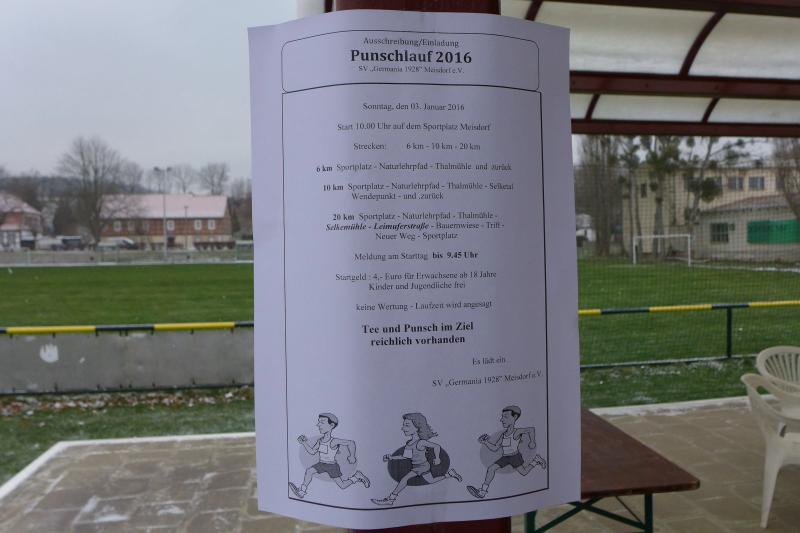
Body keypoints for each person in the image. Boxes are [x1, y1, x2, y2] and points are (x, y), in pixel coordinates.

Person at [371, 412, 462, 506]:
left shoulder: (421, 442)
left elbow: (437, 446)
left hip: (422, 467)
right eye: (403, 425)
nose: (403, 428)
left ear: (417, 427)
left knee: (404, 479)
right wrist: (392, 457)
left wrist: (437, 458)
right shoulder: (409, 443)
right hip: (417, 467)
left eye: (407, 425)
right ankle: (449, 474)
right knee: (431, 480)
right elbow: (406, 456)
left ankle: (391, 499)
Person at [467, 405, 547, 499]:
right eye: (502, 417)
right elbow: (495, 448)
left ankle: (536, 460)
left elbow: (531, 429)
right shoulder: (503, 435)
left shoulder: (516, 432)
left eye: (505, 417)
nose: (502, 420)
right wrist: (486, 442)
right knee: (491, 469)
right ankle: (482, 491)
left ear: (515, 417)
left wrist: (532, 442)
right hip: (505, 457)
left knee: (524, 472)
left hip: (515, 457)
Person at [289, 413, 370, 498]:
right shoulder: (320, 441)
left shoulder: (333, 441)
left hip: (332, 466)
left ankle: (356, 477)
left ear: (331, 425)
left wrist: (352, 456)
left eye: (322, 422)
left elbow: (351, 443)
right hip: (321, 464)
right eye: (318, 422)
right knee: (309, 471)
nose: (318, 425)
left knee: (342, 485)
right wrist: (304, 443)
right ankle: (302, 491)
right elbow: (312, 452)